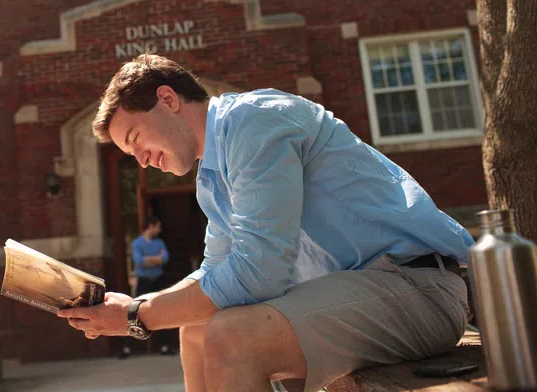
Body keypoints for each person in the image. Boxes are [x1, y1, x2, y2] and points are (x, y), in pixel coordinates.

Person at [58, 54, 474, 392]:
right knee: (196, 330)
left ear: (167, 99)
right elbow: (215, 274)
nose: (142, 160)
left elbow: (258, 274)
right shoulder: (212, 178)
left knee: (232, 337)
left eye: (135, 140)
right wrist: (126, 309)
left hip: (418, 290)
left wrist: (137, 314)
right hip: (358, 295)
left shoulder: (253, 122)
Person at [119, 215, 176, 358]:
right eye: (158, 226)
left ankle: (164, 346)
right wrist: (156, 259)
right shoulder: (137, 243)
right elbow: (138, 261)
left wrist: (149, 260)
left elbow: (165, 259)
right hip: (143, 281)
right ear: (151, 226)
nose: (159, 230)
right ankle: (127, 348)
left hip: (158, 281)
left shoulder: (160, 243)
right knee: (134, 312)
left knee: (161, 311)